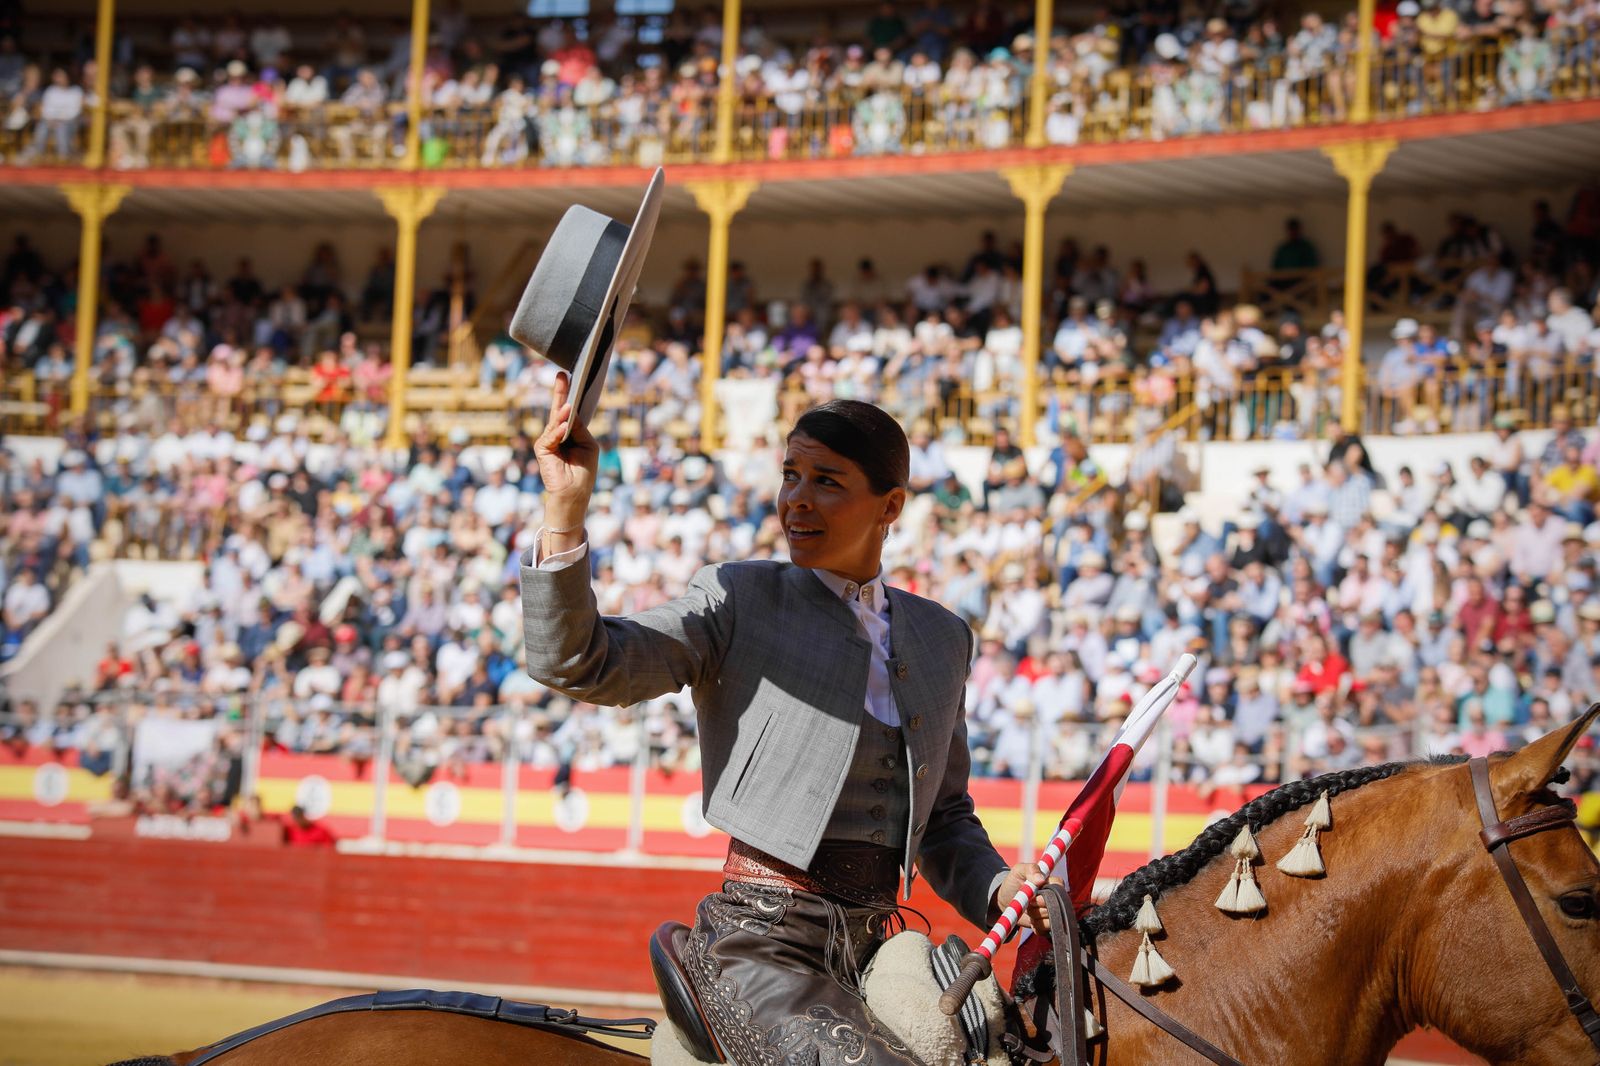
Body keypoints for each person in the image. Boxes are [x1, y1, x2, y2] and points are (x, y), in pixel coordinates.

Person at [523, 380, 1048, 1060]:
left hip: (878, 951)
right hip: (760, 946)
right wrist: (565, 511)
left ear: (890, 506)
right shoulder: (738, 598)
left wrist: (1001, 887)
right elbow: (581, 661)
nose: (797, 498)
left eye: (826, 481)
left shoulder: (941, 636)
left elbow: (943, 820)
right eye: (790, 475)